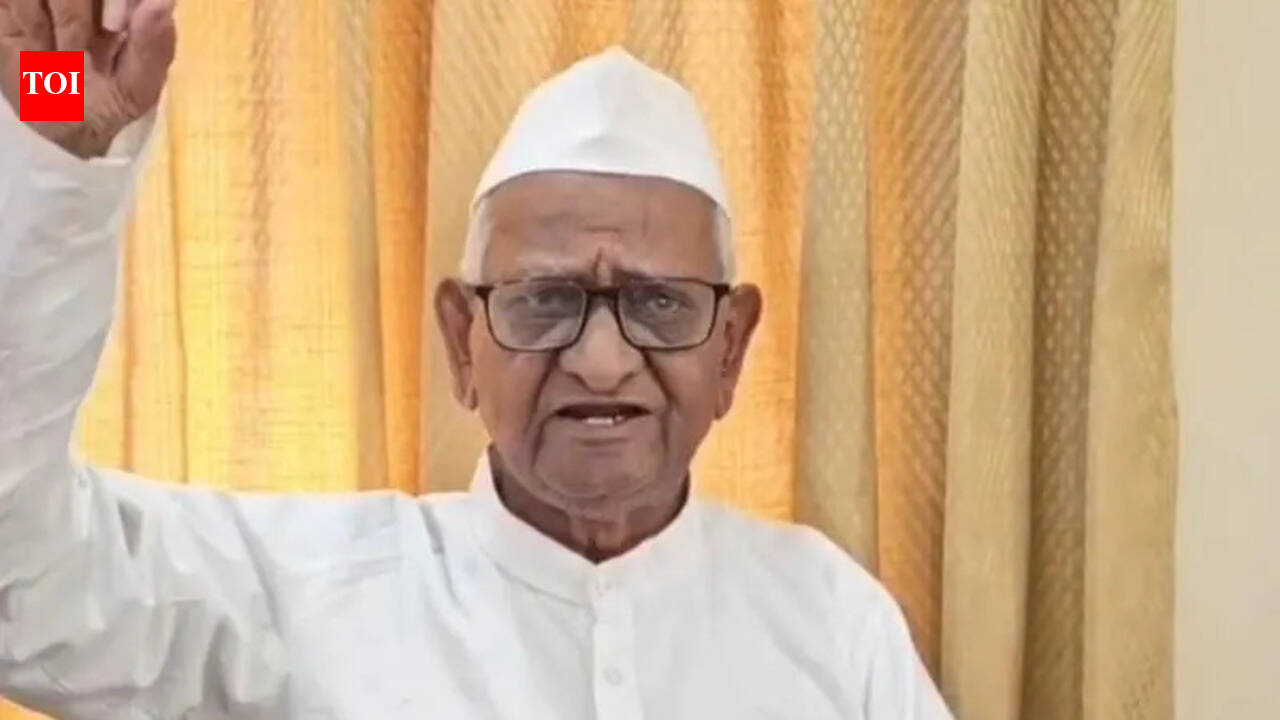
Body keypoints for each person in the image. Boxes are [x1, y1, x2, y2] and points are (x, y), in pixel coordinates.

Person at [0, 1, 953, 718]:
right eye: (545, 301)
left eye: (660, 304)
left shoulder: (832, 621)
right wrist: (56, 135)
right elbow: (21, 582)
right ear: (463, 339)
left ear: (732, 347)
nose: (602, 361)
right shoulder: (294, 595)